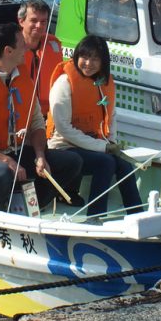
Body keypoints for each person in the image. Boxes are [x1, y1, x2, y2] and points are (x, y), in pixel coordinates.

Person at [0, 23, 82, 211]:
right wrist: (5, 160)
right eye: (22, 44)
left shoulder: (25, 79)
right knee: (2, 173)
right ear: (8, 51)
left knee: (72, 162)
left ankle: (30, 208)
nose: (27, 48)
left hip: (16, 152)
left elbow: (37, 123)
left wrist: (40, 156)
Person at [46, 35, 143, 217]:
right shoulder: (64, 84)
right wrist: (103, 147)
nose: (88, 63)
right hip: (63, 148)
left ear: (103, 61)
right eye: (85, 57)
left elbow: (111, 116)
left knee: (123, 163)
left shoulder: (104, 83)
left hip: (94, 145)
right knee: (105, 163)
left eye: (95, 58)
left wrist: (111, 142)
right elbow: (63, 128)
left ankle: (137, 214)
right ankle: (95, 216)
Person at [17, 0, 62, 117]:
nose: (39, 26)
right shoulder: (10, 49)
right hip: (19, 114)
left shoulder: (54, 45)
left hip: (48, 114)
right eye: (34, 21)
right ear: (21, 21)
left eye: (43, 21)